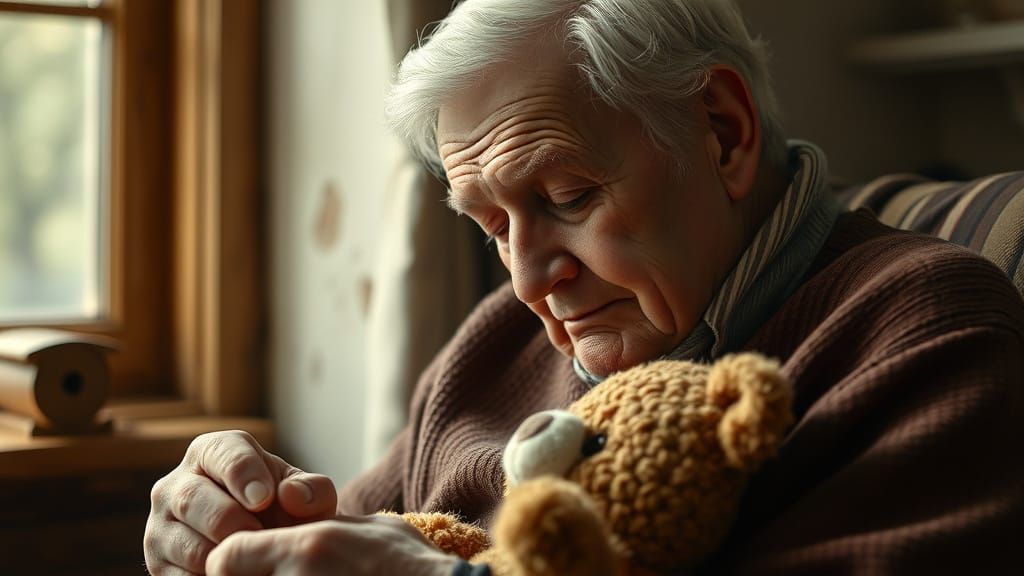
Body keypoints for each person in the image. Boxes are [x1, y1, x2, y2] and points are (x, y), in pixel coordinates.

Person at [144, 0, 1024, 574]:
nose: (529, 279)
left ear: (721, 132)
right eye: (492, 227)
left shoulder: (928, 330)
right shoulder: (489, 348)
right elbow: (357, 530)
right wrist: (240, 521)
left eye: (567, 197)